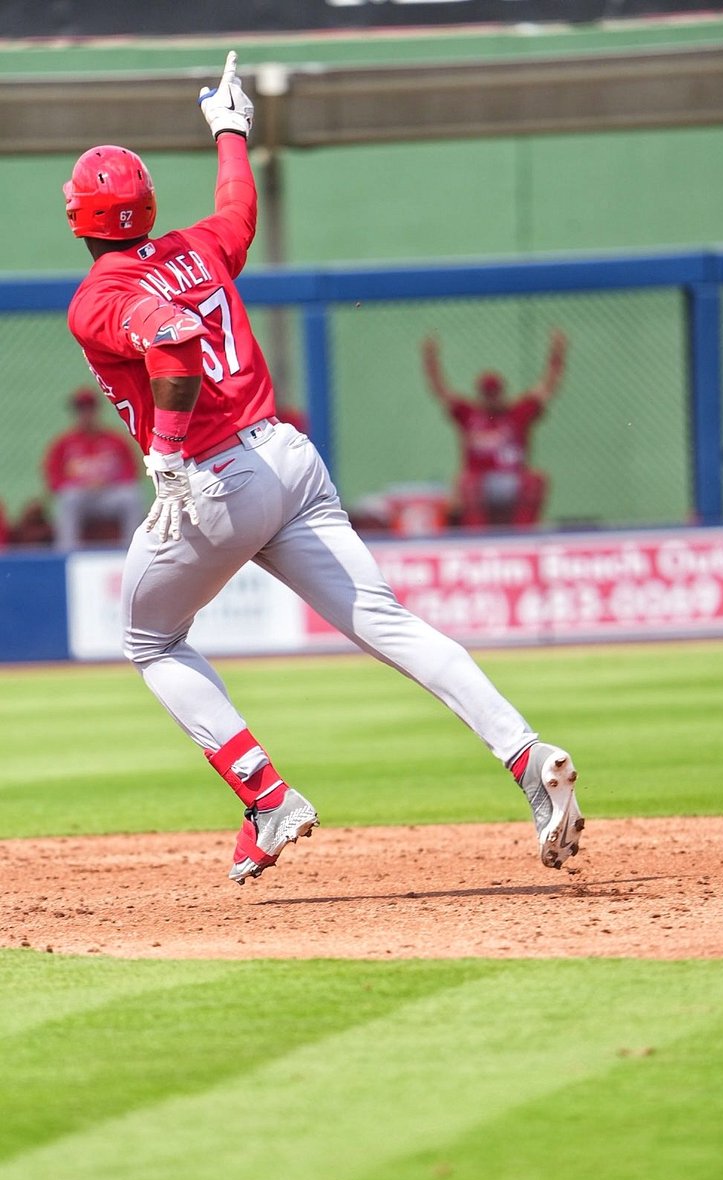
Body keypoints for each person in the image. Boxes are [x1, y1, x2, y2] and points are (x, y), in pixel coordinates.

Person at [62, 52, 583, 884]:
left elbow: (171, 341)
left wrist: (163, 454)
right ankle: (527, 755)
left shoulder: (96, 299)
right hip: (289, 459)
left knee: (151, 640)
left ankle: (267, 797)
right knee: (388, 622)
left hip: (216, 477)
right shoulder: (198, 247)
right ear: (147, 206)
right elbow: (238, 207)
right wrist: (231, 129)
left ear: (77, 221)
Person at [421, 329, 568, 528]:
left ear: (502, 392)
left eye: (495, 393)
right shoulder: (470, 414)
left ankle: (523, 534)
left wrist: (557, 353)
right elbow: (441, 391)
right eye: (487, 393)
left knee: (536, 480)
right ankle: (479, 537)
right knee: (466, 482)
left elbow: (547, 388)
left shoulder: (517, 414)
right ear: (481, 394)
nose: (491, 398)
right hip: (481, 482)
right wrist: (430, 359)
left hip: (512, 480)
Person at [42, 386, 144, 550]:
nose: (86, 414)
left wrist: (108, 482)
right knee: (68, 499)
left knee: (131, 496)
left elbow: (132, 471)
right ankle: (67, 553)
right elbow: (54, 478)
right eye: (81, 409)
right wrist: (81, 485)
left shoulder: (115, 440)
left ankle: (132, 550)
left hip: (110, 495)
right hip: (81, 496)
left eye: (89, 409)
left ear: (96, 411)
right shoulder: (63, 444)